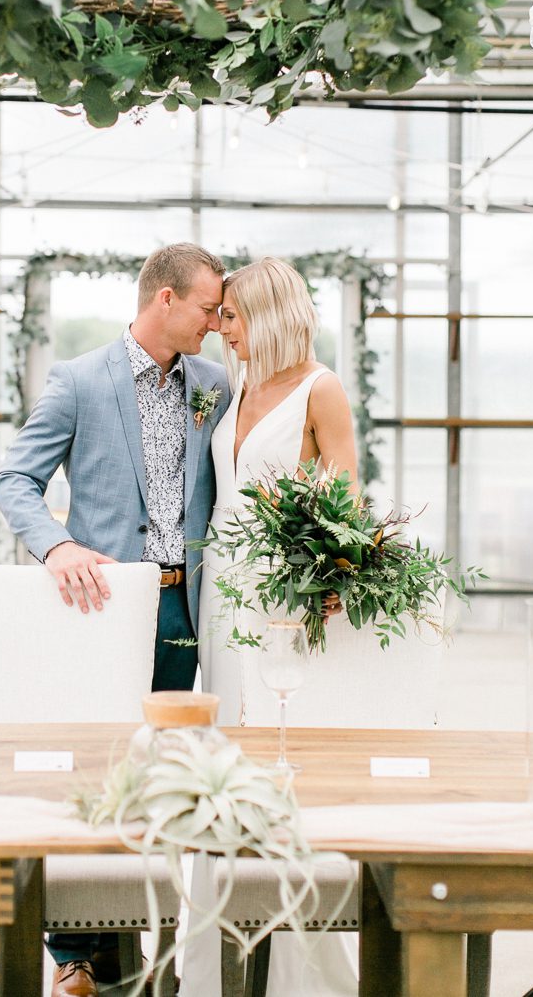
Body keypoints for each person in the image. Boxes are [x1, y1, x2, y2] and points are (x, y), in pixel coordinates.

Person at [0, 242, 229, 997]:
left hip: (185, 609)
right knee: (95, 768)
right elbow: (14, 479)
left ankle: (146, 937)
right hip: (100, 609)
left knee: (162, 777)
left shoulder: (215, 386)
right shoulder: (79, 381)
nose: (218, 323)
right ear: (165, 300)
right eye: (208, 307)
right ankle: (76, 957)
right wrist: (57, 544)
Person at [182, 256, 359, 997]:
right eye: (219, 314)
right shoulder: (236, 384)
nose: (220, 327)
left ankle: (290, 955)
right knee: (221, 748)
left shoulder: (323, 389)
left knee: (273, 747)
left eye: (231, 316)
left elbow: (345, 495)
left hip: (278, 588)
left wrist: (329, 575)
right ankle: (216, 947)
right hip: (219, 581)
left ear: (270, 314)